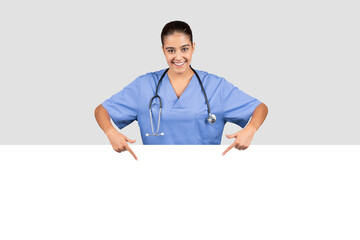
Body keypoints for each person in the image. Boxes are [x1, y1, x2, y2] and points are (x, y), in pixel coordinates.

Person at [94, 20, 268, 160]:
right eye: (171, 50)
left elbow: (260, 108)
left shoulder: (216, 86)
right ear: (163, 50)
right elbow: (101, 110)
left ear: (193, 47)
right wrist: (111, 133)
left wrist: (250, 130)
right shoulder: (144, 85)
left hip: (205, 176)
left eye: (184, 49)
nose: (178, 57)